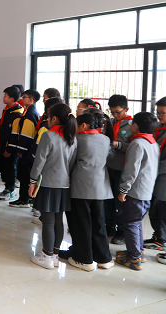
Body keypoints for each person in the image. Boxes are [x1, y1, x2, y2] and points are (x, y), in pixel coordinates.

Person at [60, 111, 115, 271]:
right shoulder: (105, 139)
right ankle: (104, 258)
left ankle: (84, 259)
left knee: (81, 224)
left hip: (81, 187)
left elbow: (70, 162)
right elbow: (111, 158)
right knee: (99, 223)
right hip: (100, 188)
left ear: (83, 125)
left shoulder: (77, 140)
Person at [29, 103, 78, 269]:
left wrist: (32, 181)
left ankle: (47, 256)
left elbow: (39, 161)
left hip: (48, 184)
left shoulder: (48, 136)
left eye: (48, 117)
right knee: (58, 221)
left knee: (48, 222)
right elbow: (71, 164)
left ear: (54, 118)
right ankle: (55, 255)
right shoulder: (72, 138)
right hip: (64, 185)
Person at [115, 112, 160, 271]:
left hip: (136, 191)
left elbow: (131, 170)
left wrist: (123, 190)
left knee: (131, 223)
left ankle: (133, 259)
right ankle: (138, 252)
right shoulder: (152, 143)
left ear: (136, 126)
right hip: (146, 190)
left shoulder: (138, 144)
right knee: (136, 223)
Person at [106, 94, 134, 244]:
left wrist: (119, 145)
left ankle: (121, 231)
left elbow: (135, 147)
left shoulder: (132, 126)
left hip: (122, 169)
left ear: (126, 109)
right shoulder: (110, 122)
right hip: (110, 166)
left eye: (118, 112)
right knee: (108, 199)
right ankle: (109, 225)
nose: (115, 115)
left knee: (120, 201)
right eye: (112, 112)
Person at [9, 89, 41, 208]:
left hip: (27, 152)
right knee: (24, 176)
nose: (22, 99)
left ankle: (24, 200)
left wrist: (21, 150)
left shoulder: (30, 113)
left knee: (25, 176)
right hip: (27, 151)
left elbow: (27, 135)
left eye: (25, 97)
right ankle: (23, 198)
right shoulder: (28, 111)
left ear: (31, 99)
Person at [0, 86, 23, 201]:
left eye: (5, 96)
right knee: (4, 168)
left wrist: (9, 149)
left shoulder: (17, 114)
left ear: (12, 99)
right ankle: (7, 188)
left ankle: (11, 190)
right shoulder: (7, 109)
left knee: (10, 169)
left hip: (10, 148)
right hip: (3, 145)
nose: (3, 98)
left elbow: (14, 134)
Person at [146, 96, 166, 251]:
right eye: (157, 112)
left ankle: (163, 239)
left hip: (163, 175)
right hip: (153, 174)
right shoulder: (158, 128)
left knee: (161, 208)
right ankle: (158, 235)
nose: (159, 116)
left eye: (162, 113)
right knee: (153, 207)